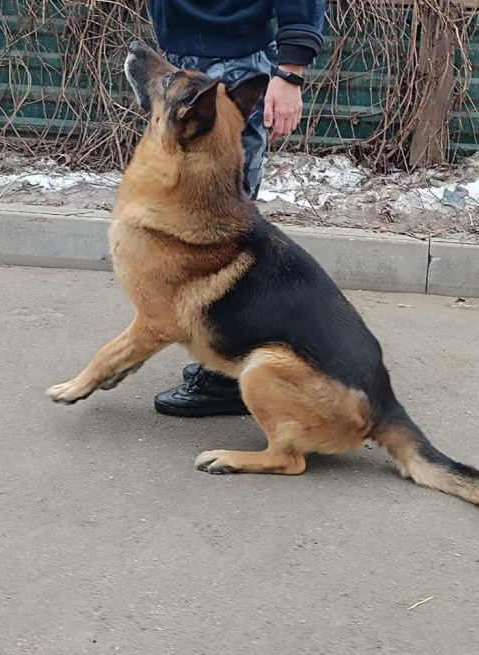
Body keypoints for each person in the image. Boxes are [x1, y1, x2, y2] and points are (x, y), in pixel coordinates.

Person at [148, 0, 327, 417]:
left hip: (232, 67)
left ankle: (231, 375)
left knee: (221, 234)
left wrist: (290, 72)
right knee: (200, 227)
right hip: (192, 58)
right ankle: (225, 358)